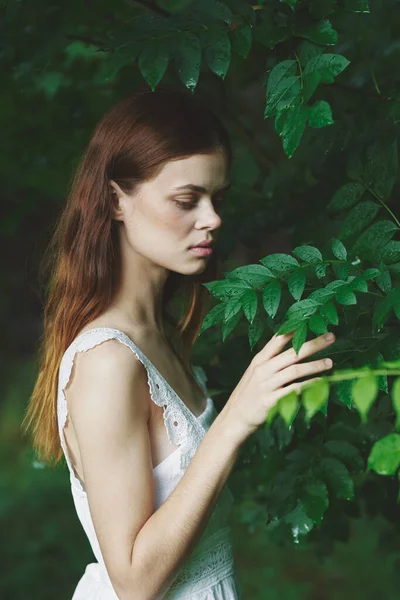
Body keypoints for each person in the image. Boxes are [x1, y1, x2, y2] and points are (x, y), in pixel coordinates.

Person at [23, 84, 335, 599]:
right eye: (187, 200)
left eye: (217, 198)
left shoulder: (158, 334)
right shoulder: (107, 360)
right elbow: (134, 582)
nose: (212, 218)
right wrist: (234, 421)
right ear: (115, 200)